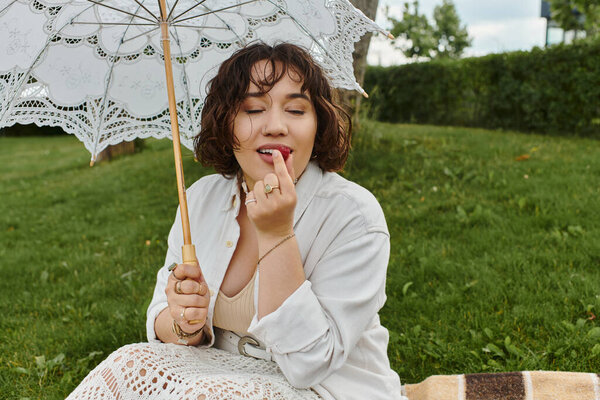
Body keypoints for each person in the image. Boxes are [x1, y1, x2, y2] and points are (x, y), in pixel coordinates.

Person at [67, 42, 404, 400]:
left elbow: (310, 363)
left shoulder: (354, 216)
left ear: (317, 123)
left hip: (324, 388)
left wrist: (276, 233)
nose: (275, 126)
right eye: (253, 108)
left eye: (295, 109)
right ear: (226, 124)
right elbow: (162, 317)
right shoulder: (199, 200)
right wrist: (185, 322)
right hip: (216, 370)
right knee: (126, 363)